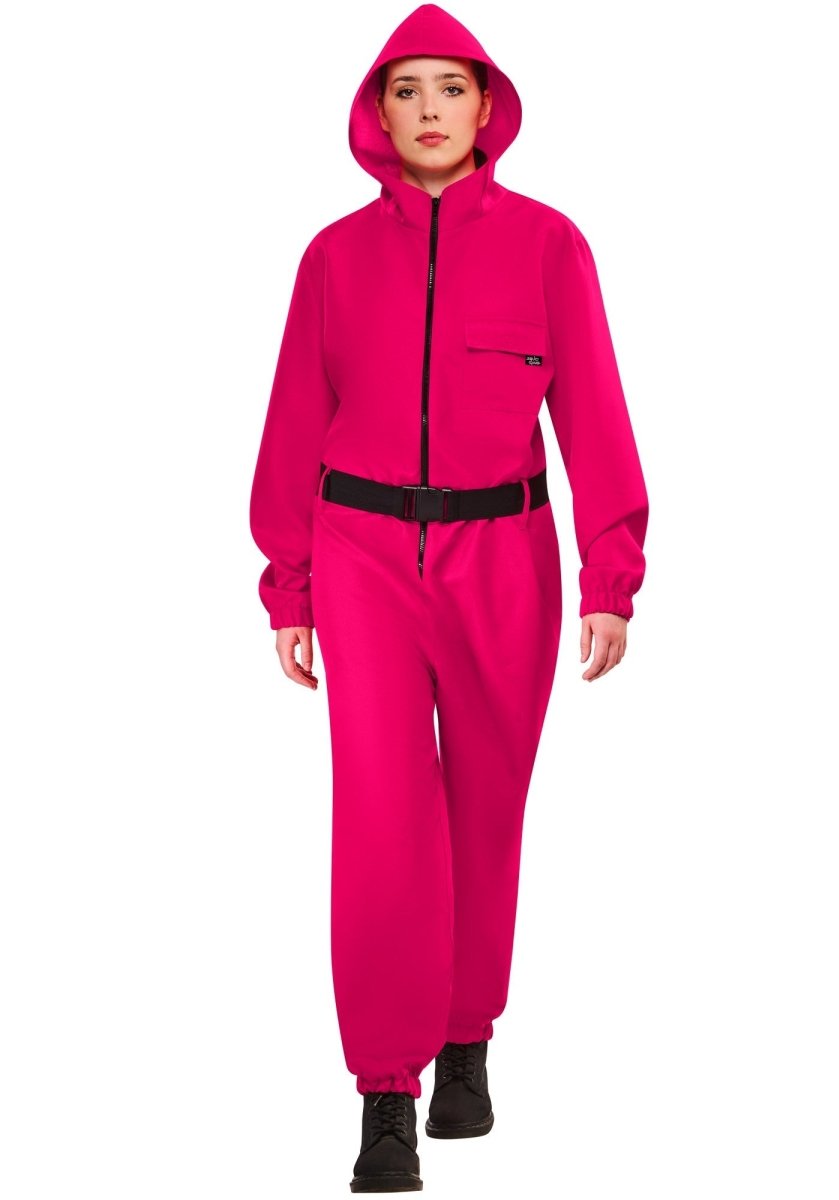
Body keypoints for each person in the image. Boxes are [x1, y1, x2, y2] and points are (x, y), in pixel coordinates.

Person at [249, 3, 649, 1192]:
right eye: (406, 89)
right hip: (363, 554)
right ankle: (387, 1090)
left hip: (505, 556)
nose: (429, 110)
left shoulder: (550, 245)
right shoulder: (333, 257)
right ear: (377, 113)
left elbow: (594, 412)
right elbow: (293, 422)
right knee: (382, 822)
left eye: (451, 88)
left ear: (487, 107)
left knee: (487, 806)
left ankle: (467, 1036)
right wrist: (290, 584)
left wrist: (610, 573)